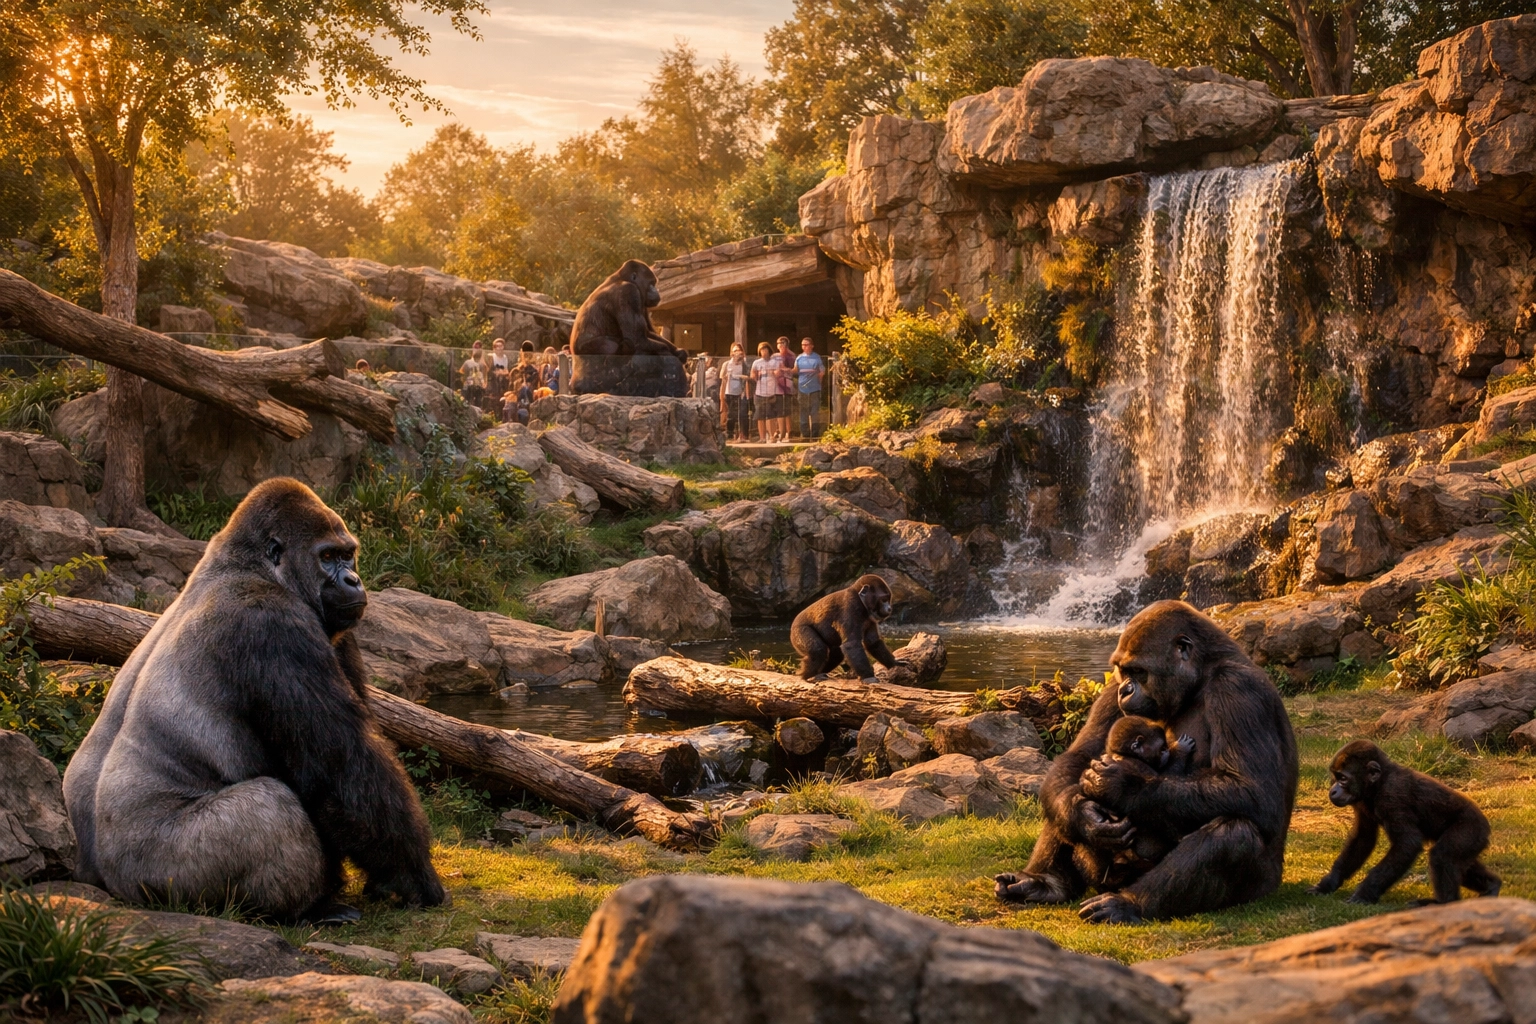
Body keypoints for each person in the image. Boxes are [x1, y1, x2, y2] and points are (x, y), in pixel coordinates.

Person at [795, 337, 825, 438]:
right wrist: (784, 370)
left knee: (814, 411)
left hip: (814, 388)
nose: (804, 347)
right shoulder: (799, 358)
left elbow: (822, 371)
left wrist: (820, 378)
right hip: (802, 388)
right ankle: (805, 434)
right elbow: (795, 370)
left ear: (812, 346)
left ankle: (815, 433)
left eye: (806, 345)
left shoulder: (817, 358)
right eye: (803, 345)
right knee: (803, 410)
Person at [751, 342, 779, 444]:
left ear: (769, 350)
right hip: (759, 392)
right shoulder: (756, 363)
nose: (763, 351)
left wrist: (774, 372)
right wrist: (755, 374)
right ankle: (762, 438)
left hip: (771, 392)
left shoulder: (774, 362)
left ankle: (772, 436)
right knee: (760, 416)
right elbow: (752, 375)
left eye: (765, 349)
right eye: (761, 350)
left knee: (770, 415)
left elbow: (778, 373)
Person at [721, 344, 749, 440]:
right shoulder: (727, 364)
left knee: (742, 413)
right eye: (735, 351)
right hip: (729, 391)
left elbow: (747, 377)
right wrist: (725, 377)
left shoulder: (744, 364)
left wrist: (740, 377)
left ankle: (743, 434)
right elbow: (721, 376)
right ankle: (730, 433)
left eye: (738, 350)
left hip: (741, 391)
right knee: (731, 414)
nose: (737, 353)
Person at [775, 337, 797, 442]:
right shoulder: (775, 356)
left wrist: (784, 369)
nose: (780, 345)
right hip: (777, 384)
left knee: (787, 407)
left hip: (787, 383)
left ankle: (789, 431)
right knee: (778, 407)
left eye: (782, 343)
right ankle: (778, 430)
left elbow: (794, 370)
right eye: (778, 343)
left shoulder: (791, 356)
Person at [459, 342, 487, 409]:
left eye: (479, 348)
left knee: (478, 401)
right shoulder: (468, 362)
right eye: (475, 347)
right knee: (467, 400)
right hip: (469, 384)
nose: (477, 349)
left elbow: (485, 372)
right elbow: (461, 371)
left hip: (478, 385)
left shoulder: (482, 364)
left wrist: (483, 383)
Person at [487, 338, 511, 410]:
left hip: (503, 379)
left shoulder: (505, 357)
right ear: (494, 348)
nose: (500, 348)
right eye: (497, 346)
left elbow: (506, 370)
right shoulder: (492, 357)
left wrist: (502, 372)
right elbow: (491, 371)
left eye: (501, 346)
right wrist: (499, 372)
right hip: (493, 380)